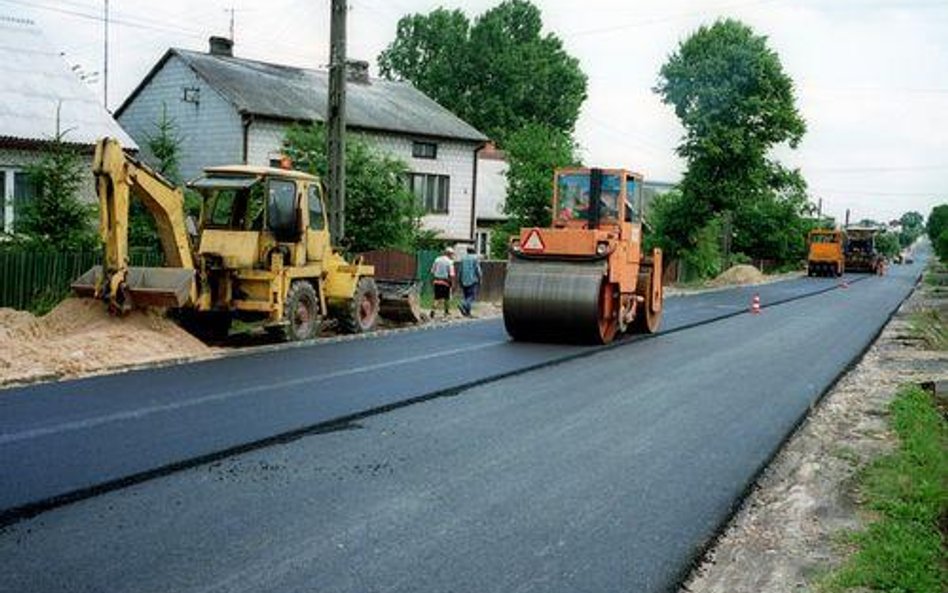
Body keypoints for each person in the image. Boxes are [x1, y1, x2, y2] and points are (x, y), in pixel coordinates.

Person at [430, 246, 455, 319]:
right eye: (452, 254)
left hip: (437, 281)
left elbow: (432, 271)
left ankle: (433, 310)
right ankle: (446, 312)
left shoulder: (437, 259)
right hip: (445, 282)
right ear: (449, 254)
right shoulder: (449, 262)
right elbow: (451, 274)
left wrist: (432, 280)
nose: (452, 255)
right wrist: (452, 283)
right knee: (446, 298)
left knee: (436, 298)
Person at [458, 247, 482, 317]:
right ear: (474, 251)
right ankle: (463, 304)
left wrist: (459, 280)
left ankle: (468, 313)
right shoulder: (475, 258)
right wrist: (480, 278)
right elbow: (478, 270)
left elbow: (460, 270)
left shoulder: (463, 259)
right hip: (472, 280)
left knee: (466, 296)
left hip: (463, 280)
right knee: (471, 296)